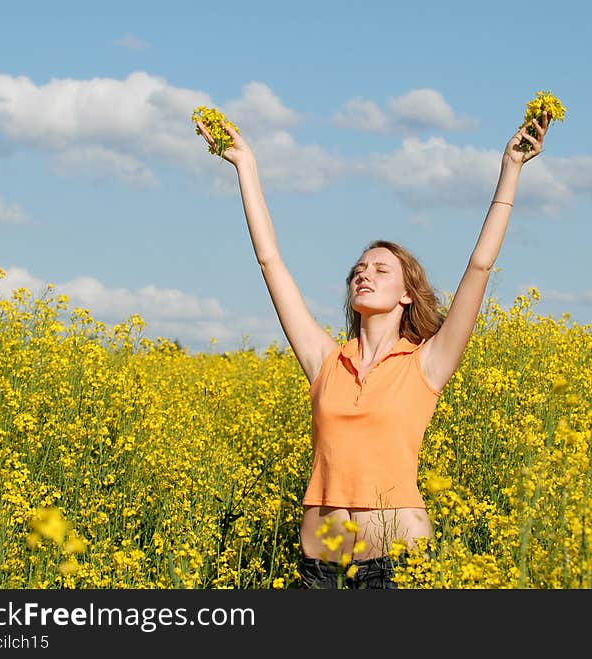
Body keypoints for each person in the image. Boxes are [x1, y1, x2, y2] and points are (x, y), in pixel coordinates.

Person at [195, 108, 549, 589]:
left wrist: (511, 170)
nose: (364, 274)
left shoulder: (427, 362)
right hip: (317, 570)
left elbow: (479, 268)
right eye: (359, 269)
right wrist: (245, 166)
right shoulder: (325, 360)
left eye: (381, 270)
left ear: (407, 293)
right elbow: (269, 260)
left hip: (394, 569)